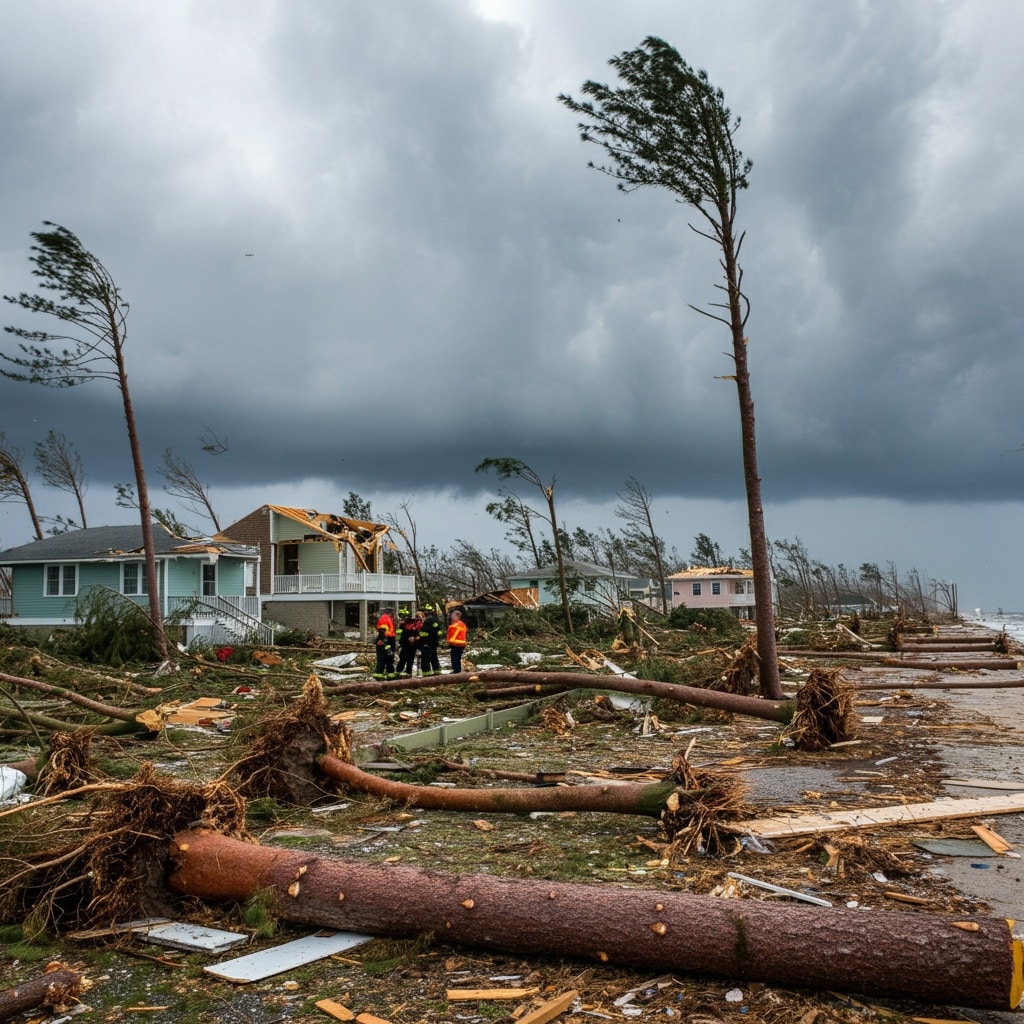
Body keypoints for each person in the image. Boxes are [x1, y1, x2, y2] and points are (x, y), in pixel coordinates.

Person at [395, 606, 421, 678]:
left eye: (404, 616)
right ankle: (399, 671)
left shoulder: (414, 624)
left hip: (412, 645)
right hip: (405, 644)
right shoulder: (402, 625)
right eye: (402, 616)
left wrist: (415, 638)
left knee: (410, 659)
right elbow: (400, 635)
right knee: (403, 658)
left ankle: (408, 672)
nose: (403, 618)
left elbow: (417, 633)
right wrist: (399, 643)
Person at [418, 604, 443, 676]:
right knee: (434, 657)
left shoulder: (427, 621)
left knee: (426, 658)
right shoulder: (436, 620)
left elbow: (424, 632)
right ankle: (436, 670)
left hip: (427, 643)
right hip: (434, 642)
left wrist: (421, 639)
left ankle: (426, 672)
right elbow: (439, 631)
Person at [373, 607, 396, 679]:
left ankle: (383, 674)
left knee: (384, 659)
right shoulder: (386, 619)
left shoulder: (385, 618)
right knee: (386, 659)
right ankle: (387, 674)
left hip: (386, 641)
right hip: (386, 641)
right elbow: (383, 631)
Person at [446, 609, 468, 674]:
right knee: (456, 659)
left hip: (457, 644)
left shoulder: (456, 625)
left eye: (452, 615)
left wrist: (450, 642)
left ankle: (456, 671)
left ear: (456, 615)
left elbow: (453, 635)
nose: (451, 616)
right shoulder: (461, 624)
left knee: (455, 659)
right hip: (458, 644)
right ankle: (457, 670)